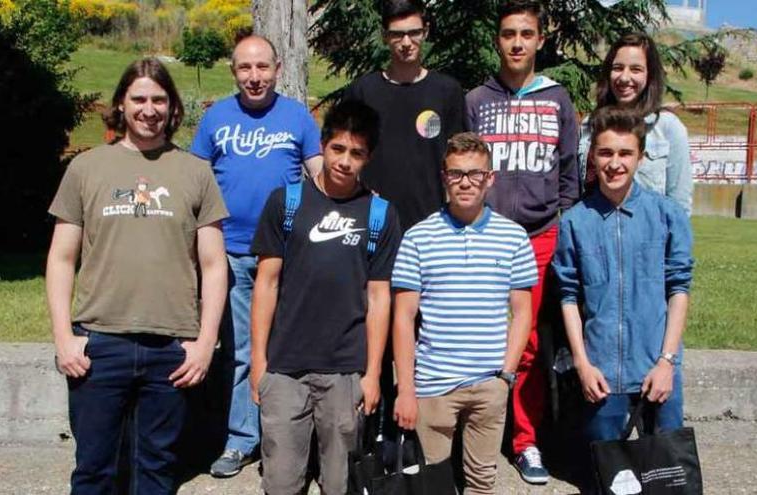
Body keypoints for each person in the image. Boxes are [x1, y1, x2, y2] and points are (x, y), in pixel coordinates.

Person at [46, 58, 229, 494]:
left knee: (157, 471)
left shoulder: (195, 173)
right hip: (99, 344)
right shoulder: (87, 168)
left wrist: (204, 344)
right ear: (122, 105)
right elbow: (60, 259)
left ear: (172, 106)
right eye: (140, 98)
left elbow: (214, 264)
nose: (150, 109)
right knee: (94, 471)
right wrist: (62, 338)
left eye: (159, 99)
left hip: (171, 349)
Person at [249, 100, 401, 495]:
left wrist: (371, 374)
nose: (345, 162)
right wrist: (259, 362)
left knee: (341, 483)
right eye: (338, 149)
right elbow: (265, 284)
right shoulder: (286, 203)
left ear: (369, 157)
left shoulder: (380, 214)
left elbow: (379, 297)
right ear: (322, 145)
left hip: (345, 372)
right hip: (284, 369)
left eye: (357, 153)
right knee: (281, 482)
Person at [189, 34, 323, 477]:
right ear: (233, 71)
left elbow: (319, 173)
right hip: (228, 255)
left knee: (292, 347)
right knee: (243, 350)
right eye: (245, 68)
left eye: (262, 67)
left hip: (285, 255)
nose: (254, 77)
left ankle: (289, 439)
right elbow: (196, 179)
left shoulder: (297, 117)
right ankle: (240, 440)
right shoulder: (216, 119)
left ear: (278, 69)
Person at [464, 0, 580, 485]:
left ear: (539, 40)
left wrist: (562, 229)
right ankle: (474, 437)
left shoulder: (557, 100)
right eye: (508, 33)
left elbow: (571, 174)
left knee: (528, 345)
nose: (516, 42)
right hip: (486, 236)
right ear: (498, 40)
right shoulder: (475, 101)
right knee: (477, 336)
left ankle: (526, 441)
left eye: (526, 34)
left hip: (538, 238)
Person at [392, 132, 538, 495]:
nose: (465, 183)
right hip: (433, 386)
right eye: (456, 174)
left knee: (482, 482)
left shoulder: (514, 237)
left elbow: (522, 312)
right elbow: (403, 318)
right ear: (444, 177)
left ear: (490, 179)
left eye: (475, 174)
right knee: (433, 485)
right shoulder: (418, 237)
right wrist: (407, 389)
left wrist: (505, 374)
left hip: (489, 382)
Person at [551, 107, 693, 476]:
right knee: (611, 478)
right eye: (606, 153)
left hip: (655, 369)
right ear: (593, 157)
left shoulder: (666, 216)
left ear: (641, 157)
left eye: (625, 153)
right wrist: (582, 365)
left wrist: (667, 362)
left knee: (666, 477)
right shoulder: (576, 222)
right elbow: (568, 296)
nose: (615, 164)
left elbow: (678, 289)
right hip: (601, 376)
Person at [343, 0, 465, 231]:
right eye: (397, 35)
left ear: (425, 32)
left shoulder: (447, 91)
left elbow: (458, 157)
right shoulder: (363, 92)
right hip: (371, 222)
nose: (406, 43)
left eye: (414, 33)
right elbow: (343, 153)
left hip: (433, 225)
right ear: (385, 36)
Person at [578, 32, 693, 215]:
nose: (624, 78)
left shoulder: (668, 128)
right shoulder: (588, 126)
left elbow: (679, 206)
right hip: (593, 239)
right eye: (618, 67)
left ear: (650, 75)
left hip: (648, 240)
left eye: (636, 69)